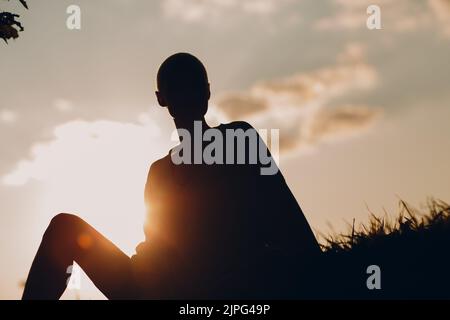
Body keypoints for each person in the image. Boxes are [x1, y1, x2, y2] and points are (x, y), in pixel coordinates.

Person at [22, 53, 321, 300]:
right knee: (64, 228)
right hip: (149, 285)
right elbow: (155, 244)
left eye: (193, 85)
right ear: (162, 99)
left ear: (206, 91)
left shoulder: (238, 139)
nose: (188, 94)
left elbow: (284, 211)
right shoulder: (159, 171)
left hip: (210, 286)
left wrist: (318, 268)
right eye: (178, 87)